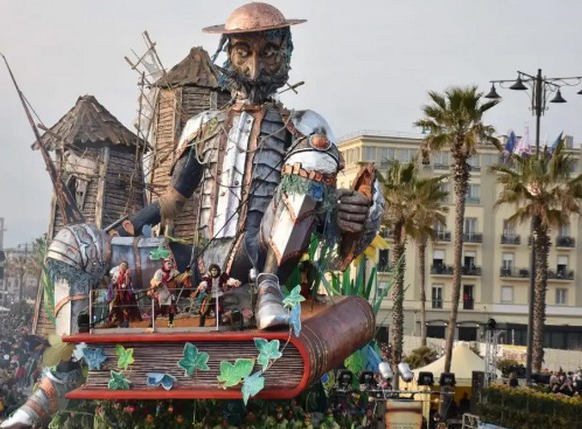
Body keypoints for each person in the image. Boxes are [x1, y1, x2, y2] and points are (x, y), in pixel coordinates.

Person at [114, 2, 382, 330]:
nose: (255, 68)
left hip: (260, 253)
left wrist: (339, 212)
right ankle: (71, 343)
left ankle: (268, 288)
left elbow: (311, 209)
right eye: (244, 52)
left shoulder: (304, 127)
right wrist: (116, 233)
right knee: (78, 246)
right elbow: (172, 201)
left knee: (314, 153)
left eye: (268, 52)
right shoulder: (203, 126)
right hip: (199, 260)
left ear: (285, 52)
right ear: (229, 53)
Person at [149, 249, 182, 328]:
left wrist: (187, 273)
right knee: (156, 310)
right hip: (160, 294)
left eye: (171, 263)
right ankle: (151, 323)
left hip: (170, 294)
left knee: (171, 310)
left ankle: (170, 323)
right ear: (164, 264)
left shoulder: (174, 272)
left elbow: (180, 277)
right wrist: (159, 283)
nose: (170, 265)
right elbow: (155, 281)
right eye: (168, 263)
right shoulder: (159, 272)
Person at [107, 261, 140, 327]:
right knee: (116, 307)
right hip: (118, 293)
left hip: (126, 294)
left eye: (125, 266)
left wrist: (126, 275)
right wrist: (117, 280)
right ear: (119, 266)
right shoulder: (116, 274)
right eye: (122, 265)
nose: (123, 267)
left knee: (126, 307)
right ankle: (116, 321)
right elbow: (113, 283)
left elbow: (127, 283)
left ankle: (126, 321)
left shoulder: (128, 274)